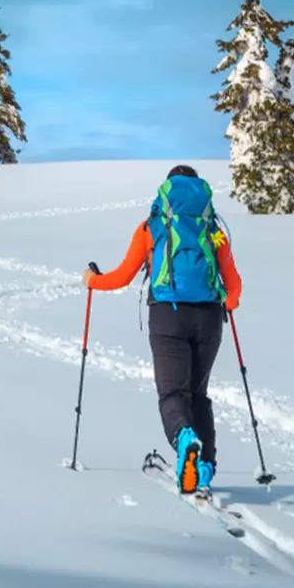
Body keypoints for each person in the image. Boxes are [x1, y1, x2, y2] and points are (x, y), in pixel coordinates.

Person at [82, 165, 242, 495]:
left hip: (167, 318)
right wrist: (225, 302)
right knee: (198, 395)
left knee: (172, 394)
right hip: (209, 319)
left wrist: (92, 281)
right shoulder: (213, 229)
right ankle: (206, 468)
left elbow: (123, 276)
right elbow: (234, 287)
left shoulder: (152, 226)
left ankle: (185, 439)